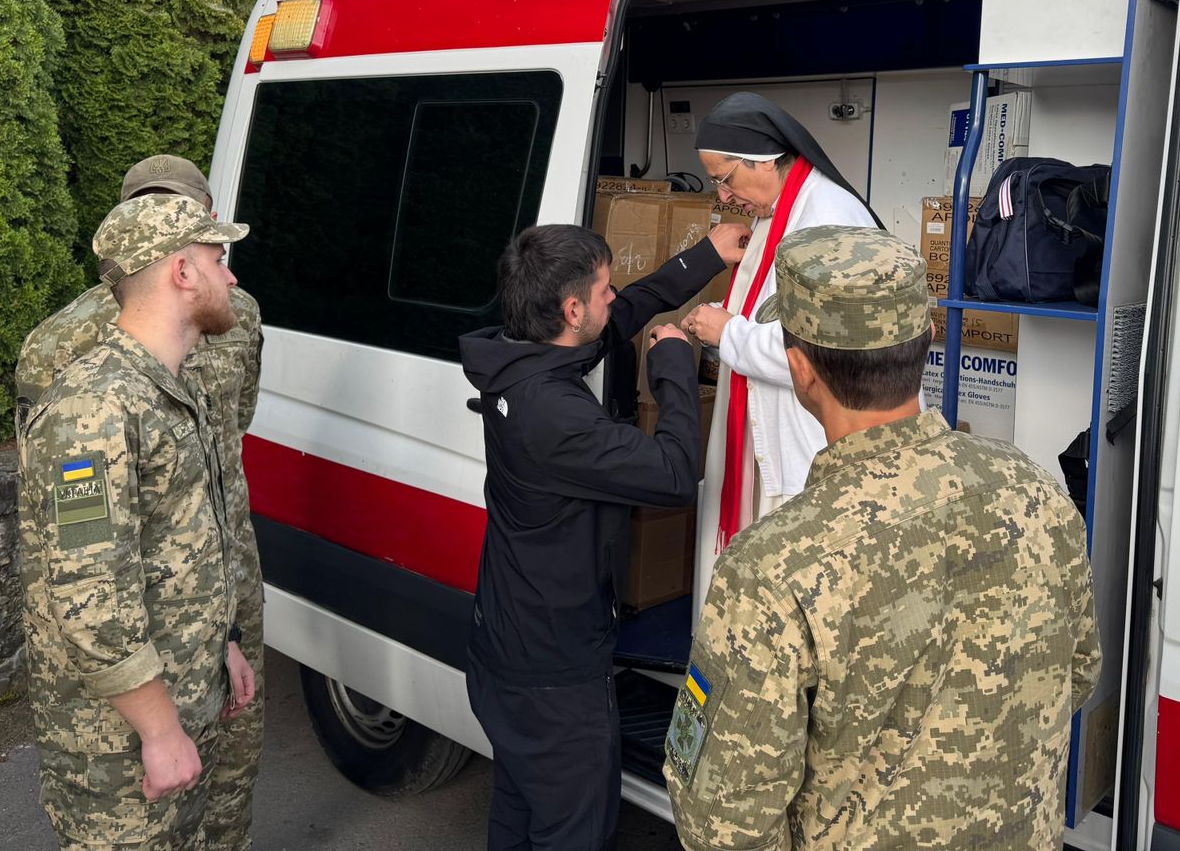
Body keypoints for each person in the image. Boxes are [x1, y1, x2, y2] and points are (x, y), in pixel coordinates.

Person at [665, 227, 1101, 851]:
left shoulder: (771, 567)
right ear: (924, 343)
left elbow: (722, 819)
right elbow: (1078, 672)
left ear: (799, 370)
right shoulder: (1031, 488)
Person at [459, 219, 748, 851]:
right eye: (603, 289)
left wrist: (703, 258)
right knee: (573, 826)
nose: (613, 298)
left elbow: (616, 321)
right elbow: (674, 475)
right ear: (569, 308)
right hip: (555, 676)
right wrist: (672, 365)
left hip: (507, 648)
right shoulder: (555, 414)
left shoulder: (519, 360)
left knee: (519, 806)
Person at [16, 154, 266, 851]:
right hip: (115, 740)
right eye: (219, 257)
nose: (233, 275)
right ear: (182, 272)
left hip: (189, 678)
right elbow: (89, 592)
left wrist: (225, 642)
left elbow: (185, 536)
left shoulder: (166, 386)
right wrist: (158, 730)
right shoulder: (92, 407)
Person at [680, 92, 878, 564]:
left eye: (724, 180)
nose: (723, 197)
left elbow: (820, 351)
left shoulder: (828, 220)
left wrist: (726, 334)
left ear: (765, 163)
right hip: (772, 433)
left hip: (805, 446)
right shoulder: (780, 210)